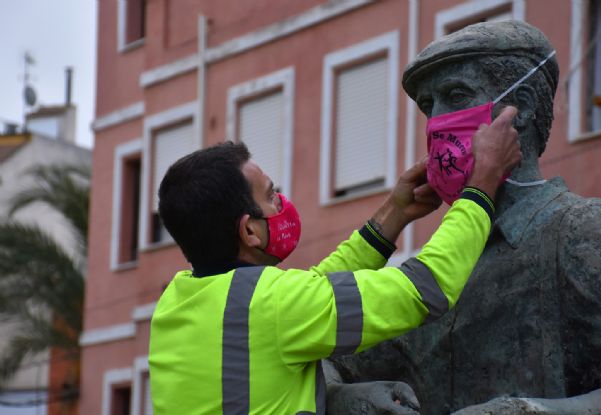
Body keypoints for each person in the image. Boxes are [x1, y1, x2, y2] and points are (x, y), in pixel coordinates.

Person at [329, 20, 601, 415]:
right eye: (428, 106)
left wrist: (525, 411)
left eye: (455, 95)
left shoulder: (584, 230)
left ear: (522, 106)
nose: (436, 121)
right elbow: (315, 341)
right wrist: (341, 395)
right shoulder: (440, 265)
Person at [147, 106, 521, 414]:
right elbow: (424, 288)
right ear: (249, 231)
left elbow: (315, 288)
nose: (281, 202)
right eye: (271, 196)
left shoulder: (175, 302)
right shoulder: (274, 305)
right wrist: (481, 186)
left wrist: (395, 212)